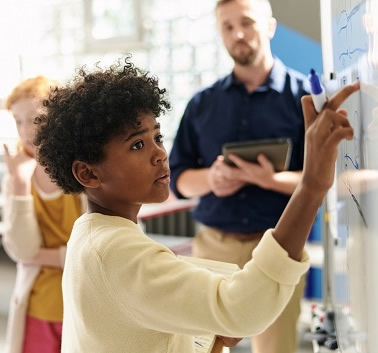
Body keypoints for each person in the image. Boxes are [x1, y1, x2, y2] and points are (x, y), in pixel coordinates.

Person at [32, 55, 358, 353]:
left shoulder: (91, 233)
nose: (159, 153)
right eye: (137, 145)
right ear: (88, 173)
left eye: (157, 137)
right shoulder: (117, 252)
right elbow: (241, 310)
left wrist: (213, 338)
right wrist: (312, 185)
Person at [168, 0, 310, 351]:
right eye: (228, 27)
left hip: (279, 247)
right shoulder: (202, 103)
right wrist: (211, 181)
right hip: (214, 248)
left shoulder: (304, 98)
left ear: (271, 26)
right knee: (203, 347)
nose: (239, 34)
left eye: (246, 22)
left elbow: (322, 179)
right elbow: (179, 179)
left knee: (277, 348)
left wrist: (271, 180)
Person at [1, 75, 85, 353]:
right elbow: (24, 250)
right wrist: (18, 183)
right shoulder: (17, 175)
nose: (26, 132)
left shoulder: (84, 170)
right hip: (37, 309)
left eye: (35, 119)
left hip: (84, 309)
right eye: (18, 121)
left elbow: (102, 252)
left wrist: (51, 257)